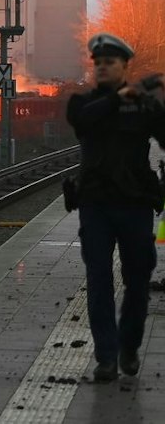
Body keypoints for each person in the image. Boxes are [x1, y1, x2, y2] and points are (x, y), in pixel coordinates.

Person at [67, 32, 165, 381]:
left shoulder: (142, 107)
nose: (102, 67)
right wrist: (118, 98)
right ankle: (106, 357)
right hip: (96, 205)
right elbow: (83, 122)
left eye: (110, 62)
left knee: (137, 280)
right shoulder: (82, 103)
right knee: (98, 279)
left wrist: (155, 101)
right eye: (99, 63)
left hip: (134, 205)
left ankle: (129, 346)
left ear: (125, 66)